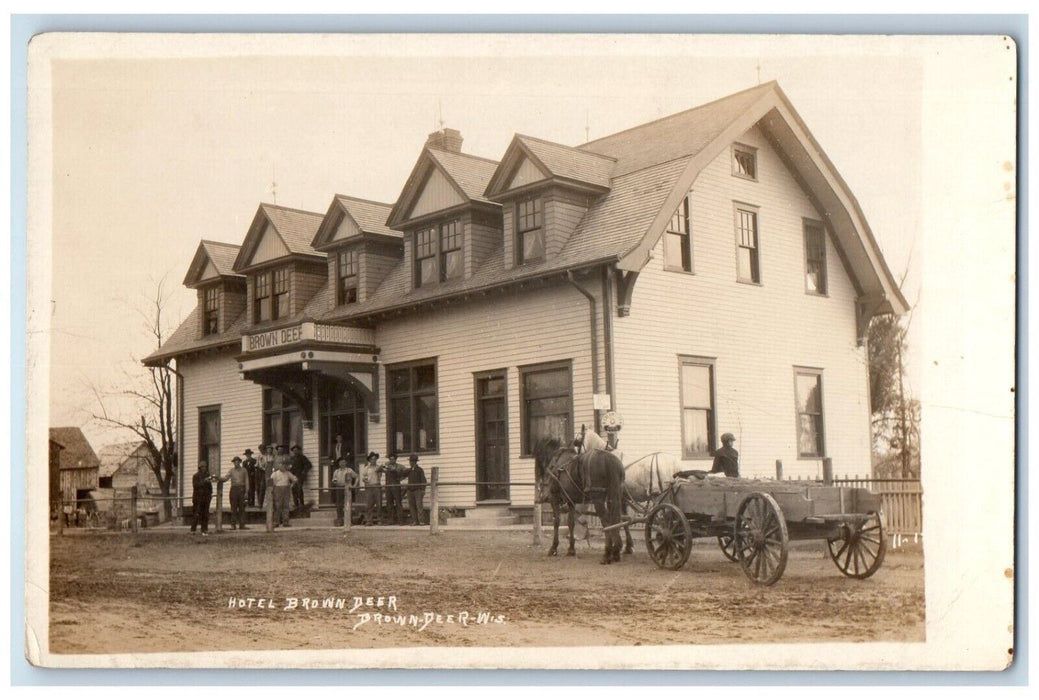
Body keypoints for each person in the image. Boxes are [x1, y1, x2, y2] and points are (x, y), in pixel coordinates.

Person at [219, 456, 250, 530]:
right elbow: (226, 478)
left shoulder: (244, 470)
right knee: (233, 508)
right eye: (235, 462)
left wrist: (246, 492)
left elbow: (247, 481)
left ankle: (242, 525)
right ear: (233, 463)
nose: (236, 463)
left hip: (242, 489)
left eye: (237, 462)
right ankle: (233, 525)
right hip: (234, 489)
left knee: (242, 508)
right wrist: (218, 478)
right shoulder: (231, 471)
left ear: (240, 462)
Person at [330, 456, 358, 527]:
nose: (342, 463)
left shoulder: (349, 470)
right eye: (340, 462)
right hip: (339, 489)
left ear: (346, 463)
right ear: (339, 463)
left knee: (348, 504)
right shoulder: (336, 471)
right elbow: (334, 480)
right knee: (339, 505)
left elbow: (357, 477)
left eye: (343, 462)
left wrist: (354, 485)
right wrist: (336, 482)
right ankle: (340, 521)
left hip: (347, 488)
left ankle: (349, 521)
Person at [190, 460, 215, 535]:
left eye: (205, 467)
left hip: (206, 497)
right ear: (200, 468)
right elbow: (195, 486)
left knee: (205, 513)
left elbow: (210, 486)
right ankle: (193, 529)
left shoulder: (207, 475)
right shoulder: (196, 476)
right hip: (198, 498)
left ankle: (204, 529)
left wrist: (210, 494)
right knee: (196, 513)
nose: (204, 468)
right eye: (202, 467)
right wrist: (204, 481)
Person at [270, 461, 298, 527]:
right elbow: (270, 483)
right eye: (281, 465)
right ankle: (276, 522)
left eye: (284, 465)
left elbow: (295, 479)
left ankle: (285, 522)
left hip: (286, 490)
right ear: (278, 466)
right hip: (277, 490)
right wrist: (272, 490)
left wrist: (291, 485)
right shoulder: (275, 474)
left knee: (286, 506)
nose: (282, 467)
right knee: (277, 506)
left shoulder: (288, 473)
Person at [381, 453, 405, 525]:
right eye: (390, 459)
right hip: (388, 487)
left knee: (398, 503)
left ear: (395, 459)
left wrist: (400, 478)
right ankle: (391, 520)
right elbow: (379, 469)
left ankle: (401, 520)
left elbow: (406, 472)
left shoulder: (400, 466)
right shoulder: (386, 466)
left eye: (393, 459)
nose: (392, 460)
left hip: (396, 486)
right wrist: (384, 465)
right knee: (389, 504)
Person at [405, 453, 427, 526]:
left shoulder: (420, 470)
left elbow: (423, 480)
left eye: (413, 461)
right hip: (410, 491)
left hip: (418, 490)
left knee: (419, 506)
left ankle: (421, 521)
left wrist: (423, 490)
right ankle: (414, 521)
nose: (411, 463)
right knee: (412, 506)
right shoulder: (409, 470)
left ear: (415, 462)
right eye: (410, 461)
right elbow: (401, 475)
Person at [361, 451, 382, 526]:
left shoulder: (379, 467)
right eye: (372, 459)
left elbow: (380, 476)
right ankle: (369, 520)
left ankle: (379, 520)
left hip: (377, 486)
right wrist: (365, 480)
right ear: (369, 460)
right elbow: (363, 478)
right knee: (369, 504)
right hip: (369, 487)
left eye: (375, 459)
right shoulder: (366, 468)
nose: (374, 460)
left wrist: (380, 470)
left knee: (379, 504)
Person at [289, 444, 313, 510]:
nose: (295, 452)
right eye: (294, 451)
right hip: (293, 476)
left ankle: (301, 504)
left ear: (299, 451)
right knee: (293, 489)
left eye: (296, 450)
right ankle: (296, 504)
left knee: (299, 489)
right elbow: (290, 467)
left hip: (300, 476)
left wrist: (304, 472)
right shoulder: (292, 459)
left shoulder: (302, 457)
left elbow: (309, 465)